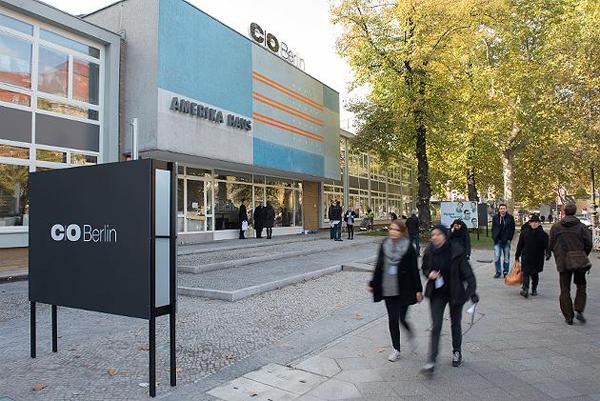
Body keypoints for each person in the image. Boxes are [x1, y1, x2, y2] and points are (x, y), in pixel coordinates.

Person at [420, 225, 478, 375]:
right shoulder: (429, 251)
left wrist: (471, 293)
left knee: (455, 323)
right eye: (433, 234)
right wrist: (429, 274)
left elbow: (469, 275)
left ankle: (457, 351)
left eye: (438, 234)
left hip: (455, 292)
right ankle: (431, 360)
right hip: (437, 293)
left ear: (445, 236)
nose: (434, 237)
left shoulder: (456, 251)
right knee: (436, 326)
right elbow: (424, 268)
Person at [369, 219, 423, 362]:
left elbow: (414, 270)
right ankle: (396, 349)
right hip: (388, 288)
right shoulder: (384, 245)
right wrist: (373, 282)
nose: (393, 232)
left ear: (402, 232)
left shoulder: (408, 247)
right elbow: (378, 265)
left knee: (402, 318)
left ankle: (409, 331)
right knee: (393, 319)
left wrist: (418, 289)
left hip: (404, 289)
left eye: (396, 230)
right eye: (391, 229)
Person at [549, 203, 593, 325]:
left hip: (563, 261)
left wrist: (558, 254)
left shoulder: (556, 227)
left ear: (564, 212)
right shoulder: (581, 227)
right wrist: (583, 254)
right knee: (581, 285)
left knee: (564, 289)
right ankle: (579, 309)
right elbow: (589, 244)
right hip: (579, 260)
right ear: (574, 212)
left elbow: (551, 244)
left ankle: (568, 316)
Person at [515, 214, 549, 298]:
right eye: (532, 222)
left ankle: (534, 289)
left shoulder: (543, 234)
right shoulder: (524, 233)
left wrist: (548, 253)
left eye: (536, 222)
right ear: (529, 223)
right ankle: (525, 288)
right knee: (526, 273)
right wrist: (517, 256)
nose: (534, 223)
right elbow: (520, 245)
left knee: (535, 274)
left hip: (538, 257)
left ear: (539, 223)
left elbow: (547, 246)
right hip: (526, 256)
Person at [491, 204, 516, 278]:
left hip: (506, 240)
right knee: (497, 256)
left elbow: (512, 229)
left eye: (504, 208)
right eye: (501, 208)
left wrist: (509, 238)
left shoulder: (510, 218)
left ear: (506, 209)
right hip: (497, 240)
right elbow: (493, 228)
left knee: (506, 257)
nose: (502, 210)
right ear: (499, 210)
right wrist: (494, 237)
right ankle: (498, 272)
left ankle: (505, 272)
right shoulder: (495, 218)